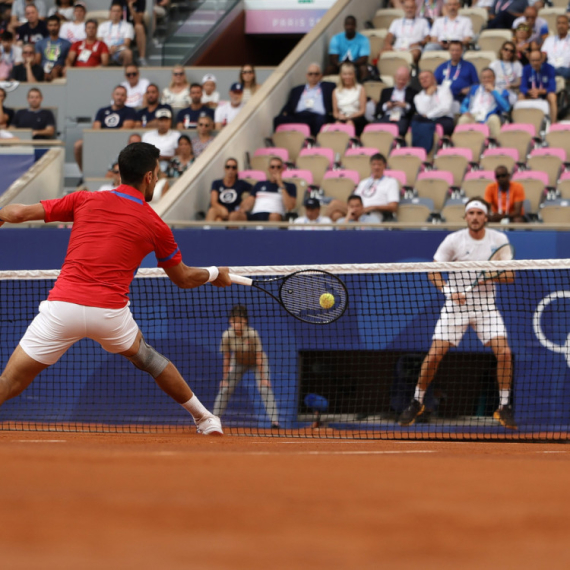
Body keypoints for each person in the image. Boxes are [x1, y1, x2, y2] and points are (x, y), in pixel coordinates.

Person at [0, 142, 231, 436]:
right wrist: (214, 274)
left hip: (61, 309)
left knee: (10, 381)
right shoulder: (156, 225)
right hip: (109, 315)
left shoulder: (84, 199)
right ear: (148, 177)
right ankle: (205, 419)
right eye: (157, 175)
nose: (157, 179)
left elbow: (17, 214)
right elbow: (183, 278)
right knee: (150, 359)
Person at [398, 197, 517, 429]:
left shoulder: (499, 240)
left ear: (486, 217)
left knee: (505, 353)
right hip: (456, 307)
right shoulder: (453, 240)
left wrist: (487, 275)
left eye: (479, 213)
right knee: (433, 356)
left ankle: (503, 407)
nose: (474, 217)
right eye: (470, 213)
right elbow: (434, 271)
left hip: (485, 308)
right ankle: (417, 401)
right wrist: (449, 291)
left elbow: (510, 275)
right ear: (465, 216)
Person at [213, 305, 280, 429]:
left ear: (245, 321)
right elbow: (227, 357)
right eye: (233, 321)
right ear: (230, 321)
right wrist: (225, 378)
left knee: (264, 389)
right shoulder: (227, 335)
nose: (236, 324)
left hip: (256, 362)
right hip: (238, 362)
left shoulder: (252, 334)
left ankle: (274, 422)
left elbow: (259, 355)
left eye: (239, 321)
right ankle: (214, 420)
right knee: (225, 389)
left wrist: (263, 378)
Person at [74, 85, 137, 171]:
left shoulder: (129, 111)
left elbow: (126, 127)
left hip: (120, 139)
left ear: (126, 97)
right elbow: (96, 128)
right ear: (113, 95)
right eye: (117, 94)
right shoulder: (102, 111)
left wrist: (109, 136)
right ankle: (83, 173)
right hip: (100, 138)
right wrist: (103, 137)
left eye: (122, 95)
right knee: (78, 145)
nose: (119, 97)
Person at [326, 153, 399, 222]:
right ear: (370, 166)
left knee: (335, 206)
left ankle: (320, 225)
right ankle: (323, 227)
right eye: (374, 164)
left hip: (372, 212)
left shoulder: (391, 182)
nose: (376, 167)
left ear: (384, 166)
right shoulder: (363, 182)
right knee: (336, 214)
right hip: (357, 209)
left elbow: (393, 207)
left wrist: (372, 207)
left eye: (379, 164)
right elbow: (354, 199)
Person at [273, 63, 335, 137]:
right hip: (299, 115)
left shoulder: (328, 87)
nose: (313, 76)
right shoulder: (297, 90)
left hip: (317, 115)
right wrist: (283, 113)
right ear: (307, 75)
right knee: (278, 119)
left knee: (319, 120)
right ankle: (278, 141)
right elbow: (289, 105)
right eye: (310, 74)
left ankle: (315, 143)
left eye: (316, 74)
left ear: (321, 76)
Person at [457, 68, 510, 138]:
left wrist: (493, 91)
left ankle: (496, 144)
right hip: (473, 116)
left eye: (489, 77)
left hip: (488, 118)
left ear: (494, 78)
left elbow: (506, 108)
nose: (486, 80)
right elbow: (464, 105)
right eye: (484, 78)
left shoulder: (501, 91)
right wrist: (465, 111)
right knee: (463, 119)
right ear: (481, 79)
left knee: (494, 119)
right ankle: (460, 144)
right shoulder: (474, 89)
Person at [241, 156, 296, 222]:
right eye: (272, 167)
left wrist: (281, 184)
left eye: (278, 167)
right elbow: (247, 204)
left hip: (275, 215)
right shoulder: (259, 184)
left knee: (274, 216)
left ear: (282, 169)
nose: (275, 169)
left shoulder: (290, 186)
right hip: (256, 214)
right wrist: (244, 207)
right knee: (235, 215)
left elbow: (290, 207)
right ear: (269, 169)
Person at [412, 70, 454, 152]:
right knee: (416, 119)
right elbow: (423, 111)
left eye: (426, 77)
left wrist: (428, 115)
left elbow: (445, 108)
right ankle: (421, 150)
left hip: (444, 119)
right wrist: (428, 95)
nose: (424, 80)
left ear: (433, 78)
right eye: (421, 78)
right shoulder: (418, 96)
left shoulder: (444, 90)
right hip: (427, 120)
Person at [434, 41, 479, 113]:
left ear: (462, 51)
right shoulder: (442, 67)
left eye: (457, 50)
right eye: (452, 50)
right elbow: (434, 83)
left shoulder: (469, 66)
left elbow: (477, 85)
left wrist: (470, 89)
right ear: (449, 51)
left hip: (461, 98)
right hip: (443, 99)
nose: (455, 53)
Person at [382, 0, 431, 64]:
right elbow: (389, 35)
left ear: (416, 8)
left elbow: (428, 38)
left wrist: (419, 43)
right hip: (397, 47)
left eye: (411, 7)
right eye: (407, 7)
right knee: (382, 53)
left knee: (415, 53)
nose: (409, 10)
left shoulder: (423, 21)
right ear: (404, 8)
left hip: (413, 47)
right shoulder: (396, 21)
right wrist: (387, 44)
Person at [373, 66, 417, 137]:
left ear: (408, 79)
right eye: (399, 79)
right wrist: (386, 105)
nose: (401, 81)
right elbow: (378, 109)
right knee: (375, 129)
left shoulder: (412, 92)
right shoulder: (386, 91)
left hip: (402, 117)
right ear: (395, 77)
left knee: (400, 130)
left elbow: (415, 109)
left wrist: (405, 106)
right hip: (387, 116)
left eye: (404, 79)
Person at [205, 157, 251, 223]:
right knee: (216, 217)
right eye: (228, 167)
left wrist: (246, 201)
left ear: (236, 170)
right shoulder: (217, 183)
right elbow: (213, 202)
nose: (230, 170)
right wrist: (222, 209)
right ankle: (206, 231)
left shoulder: (241, 183)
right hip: (220, 210)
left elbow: (255, 190)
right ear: (224, 168)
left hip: (233, 211)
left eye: (233, 167)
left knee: (218, 217)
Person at [516, 49, 557, 122]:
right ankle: (521, 123)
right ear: (529, 60)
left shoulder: (550, 68)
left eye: (537, 60)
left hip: (544, 95)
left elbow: (552, 87)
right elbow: (522, 87)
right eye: (533, 60)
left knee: (552, 96)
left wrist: (540, 92)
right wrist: (530, 92)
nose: (535, 63)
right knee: (521, 96)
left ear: (542, 59)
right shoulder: (526, 69)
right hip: (531, 95)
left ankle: (553, 124)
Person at [325, 15, 370, 80]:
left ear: (355, 26)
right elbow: (332, 58)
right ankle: (323, 88)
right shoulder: (336, 38)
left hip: (356, 65)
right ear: (344, 25)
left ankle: (363, 88)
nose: (350, 27)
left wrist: (352, 64)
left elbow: (364, 59)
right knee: (329, 68)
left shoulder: (363, 39)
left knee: (363, 68)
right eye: (348, 24)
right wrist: (340, 64)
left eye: (352, 25)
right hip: (339, 65)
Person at [331, 61, 367, 137]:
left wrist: (351, 116)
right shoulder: (335, 91)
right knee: (337, 124)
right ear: (341, 75)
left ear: (354, 75)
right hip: (342, 116)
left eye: (350, 74)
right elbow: (335, 113)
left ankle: (351, 144)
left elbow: (362, 111)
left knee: (349, 124)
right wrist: (339, 116)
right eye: (345, 74)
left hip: (356, 116)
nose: (347, 77)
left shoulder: (360, 89)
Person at [34, 15, 71, 81]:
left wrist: (62, 68)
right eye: (50, 25)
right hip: (43, 71)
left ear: (59, 26)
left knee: (54, 71)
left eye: (55, 25)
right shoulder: (40, 43)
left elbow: (68, 61)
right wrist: (43, 72)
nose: (53, 28)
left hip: (58, 71)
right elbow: (37, 62)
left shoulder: (67, 43)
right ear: (47, 27)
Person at [111, 0, 147, 66]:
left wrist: (131, 7)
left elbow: (138, 21)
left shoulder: (141, 1)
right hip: (120, 25)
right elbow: (111, 16)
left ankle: (141, 58)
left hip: (134, 26)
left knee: (139, 27)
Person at [489, 41, 523, 106]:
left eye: (511, 51)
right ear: (502, 50)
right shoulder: (494, 64)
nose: (508, 52)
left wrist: (511, 85)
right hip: (496, 89)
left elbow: (519, 81)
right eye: (506, 49)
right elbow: (489, 80)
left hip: (511, 90)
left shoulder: (517, 64)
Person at [541, 15, 570, 81]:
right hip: (550, 67)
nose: (561, 26)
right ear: (556, 25)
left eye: (563, 23)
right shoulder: (549, 40)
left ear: (568, 25)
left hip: (566, 69)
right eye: (559, 23)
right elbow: (542, 57)